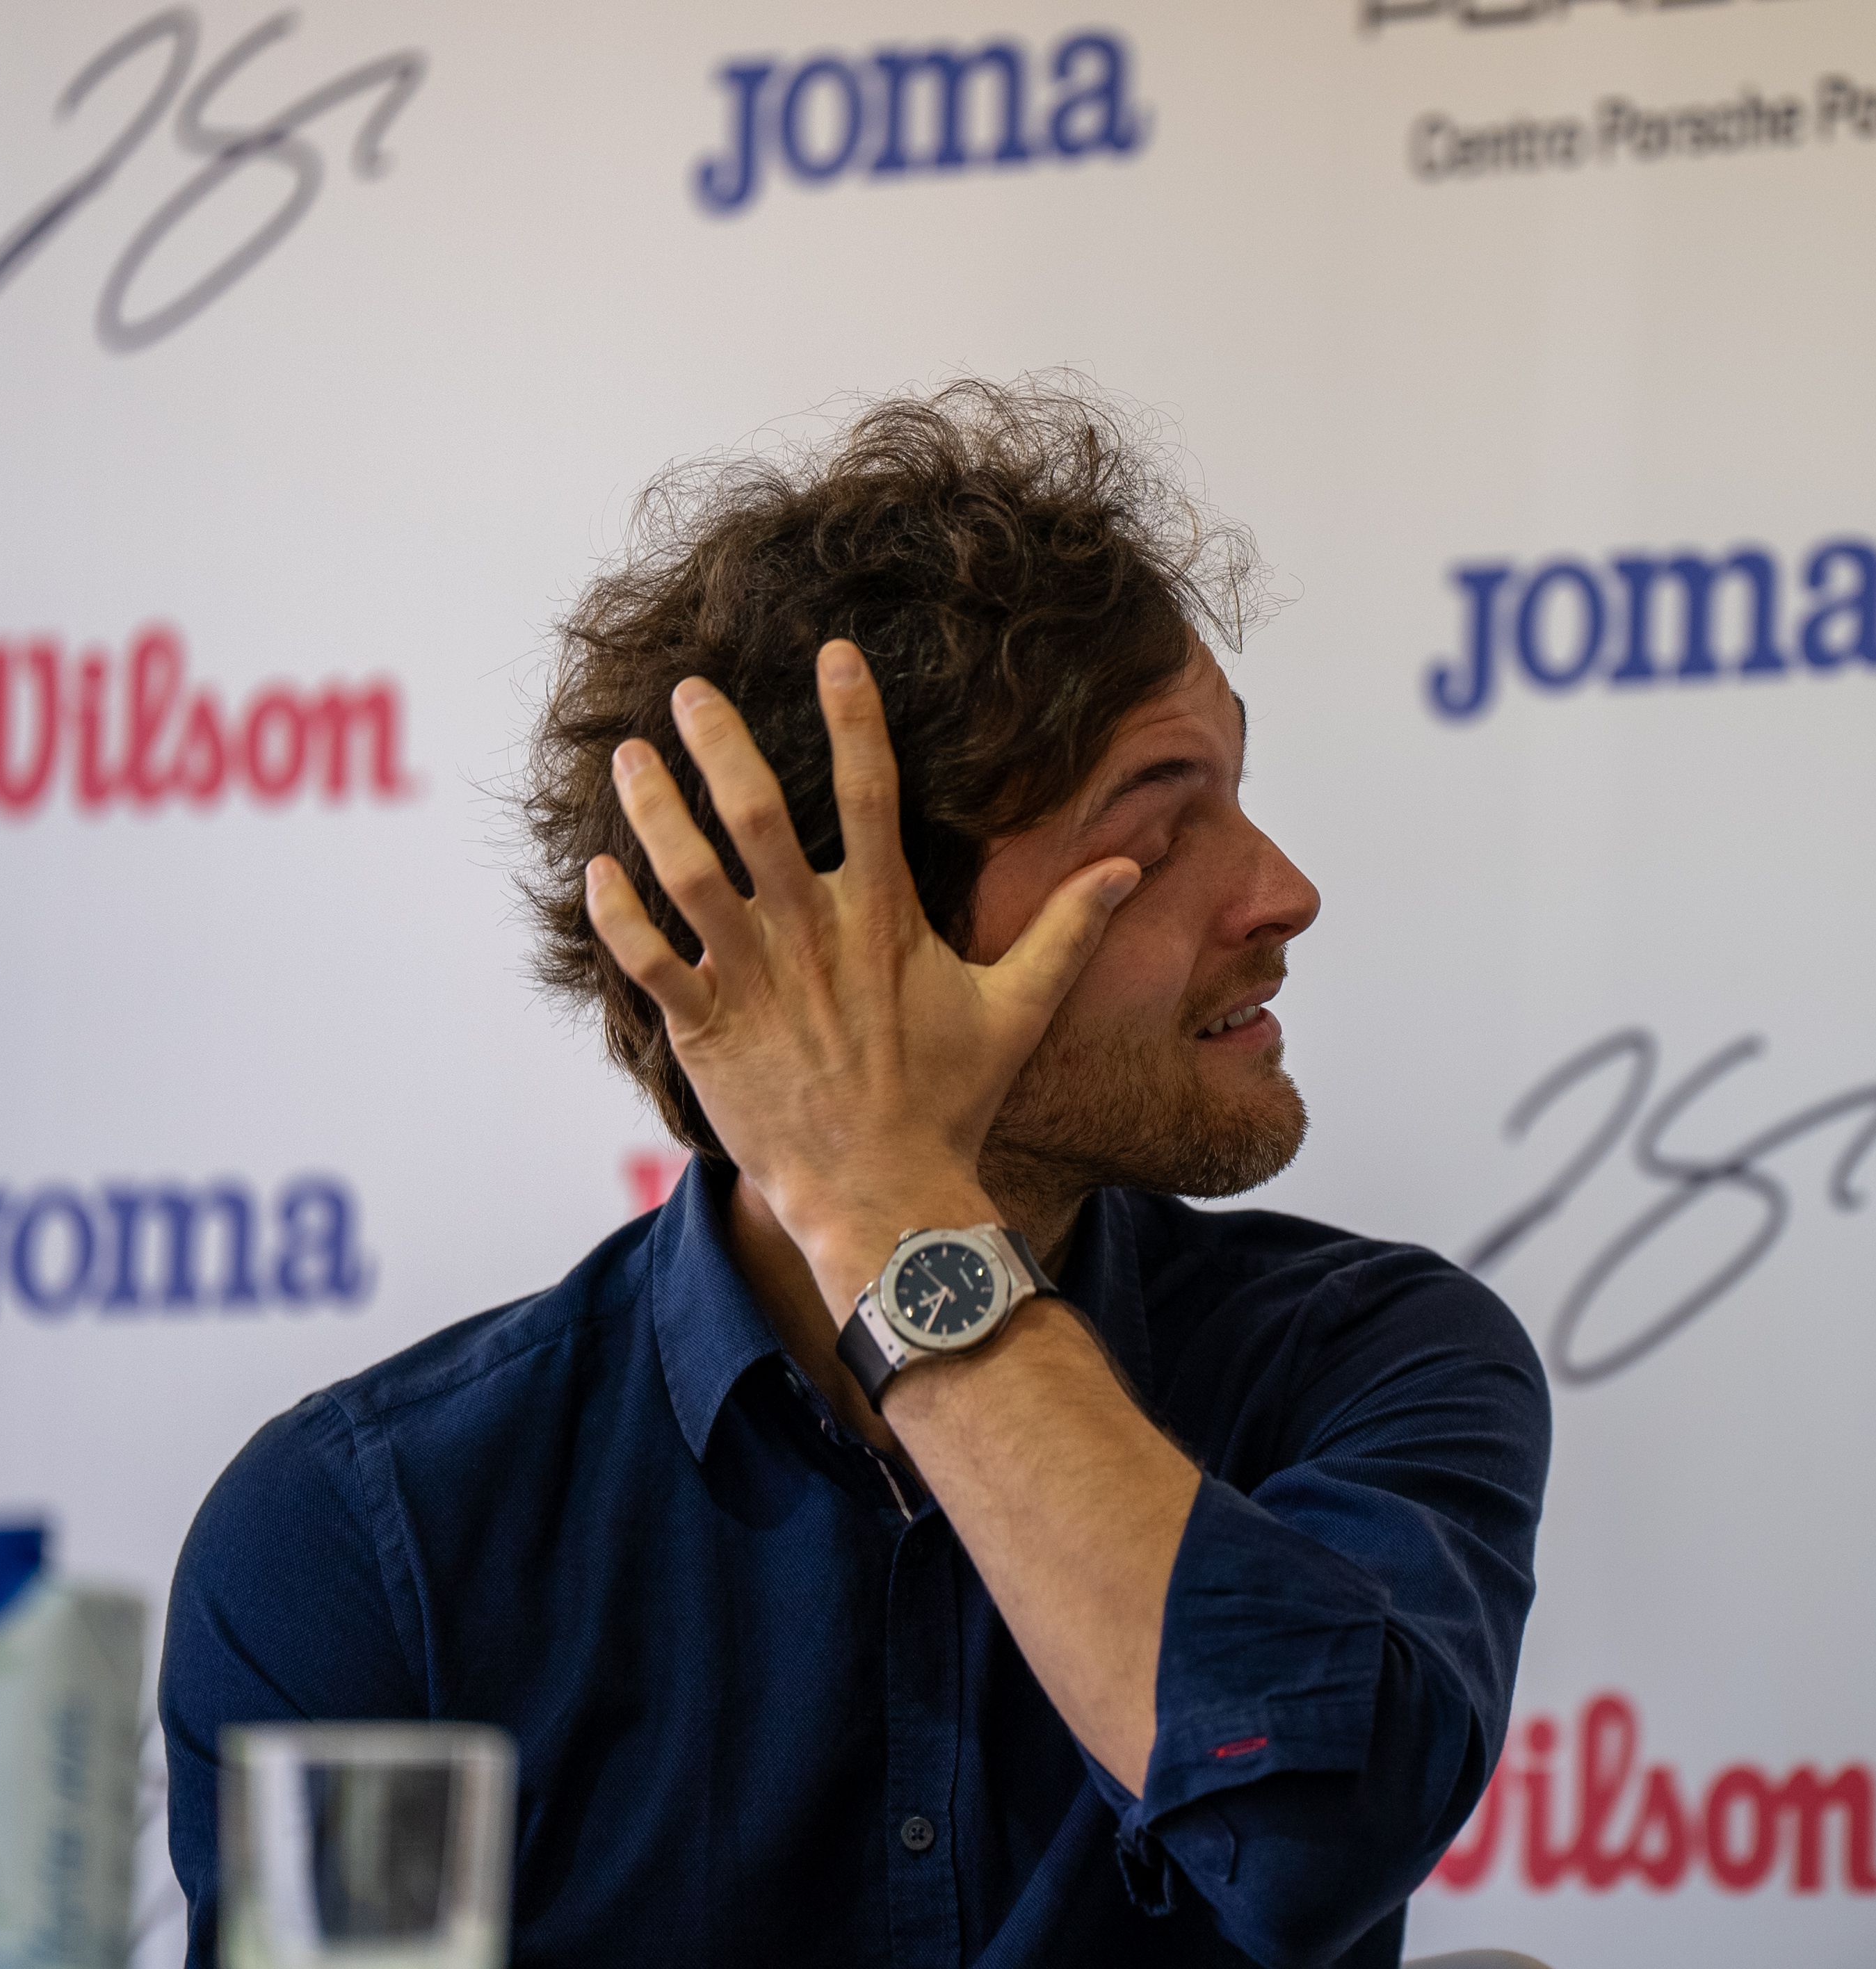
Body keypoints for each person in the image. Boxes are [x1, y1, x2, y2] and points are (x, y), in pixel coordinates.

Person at [158, 379, 1553, 1968]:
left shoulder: (1371, 1362)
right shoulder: (374, 1534)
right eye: (1161, 836)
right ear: (829, 939)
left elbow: (1305, 1835)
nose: (1283, 892)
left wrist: (890, 1203)